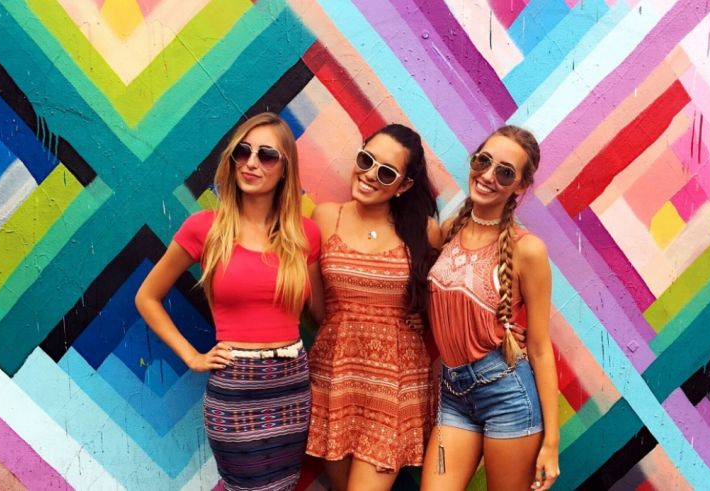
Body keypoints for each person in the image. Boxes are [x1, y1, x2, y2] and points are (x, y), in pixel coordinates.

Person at [135, 112, 323, 491]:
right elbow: (147, 297)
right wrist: (192, 356)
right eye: (243, 151)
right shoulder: (205, 228)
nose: (252, 162)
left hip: (291, 387)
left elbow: (321, 312)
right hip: (235, 387)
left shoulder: (306, 234)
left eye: (267, 155)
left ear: (285, 169)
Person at [420, 126, 560, 491]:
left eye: (505, 172)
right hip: (453, 394)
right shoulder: (453, 228)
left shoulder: (528, 250)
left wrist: (551, 443)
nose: (487, 176)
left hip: (507, 394)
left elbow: (542, 348)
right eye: (483, 161)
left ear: (520, 188)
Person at [305, 124, 440, 491]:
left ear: (404, 185)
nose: (369, 175)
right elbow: (319, 308)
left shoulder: (424, 232)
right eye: (366, 160)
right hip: (337, 378)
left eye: (386, 172)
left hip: (395, 385)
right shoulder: (325, 217)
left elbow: (444, 300)